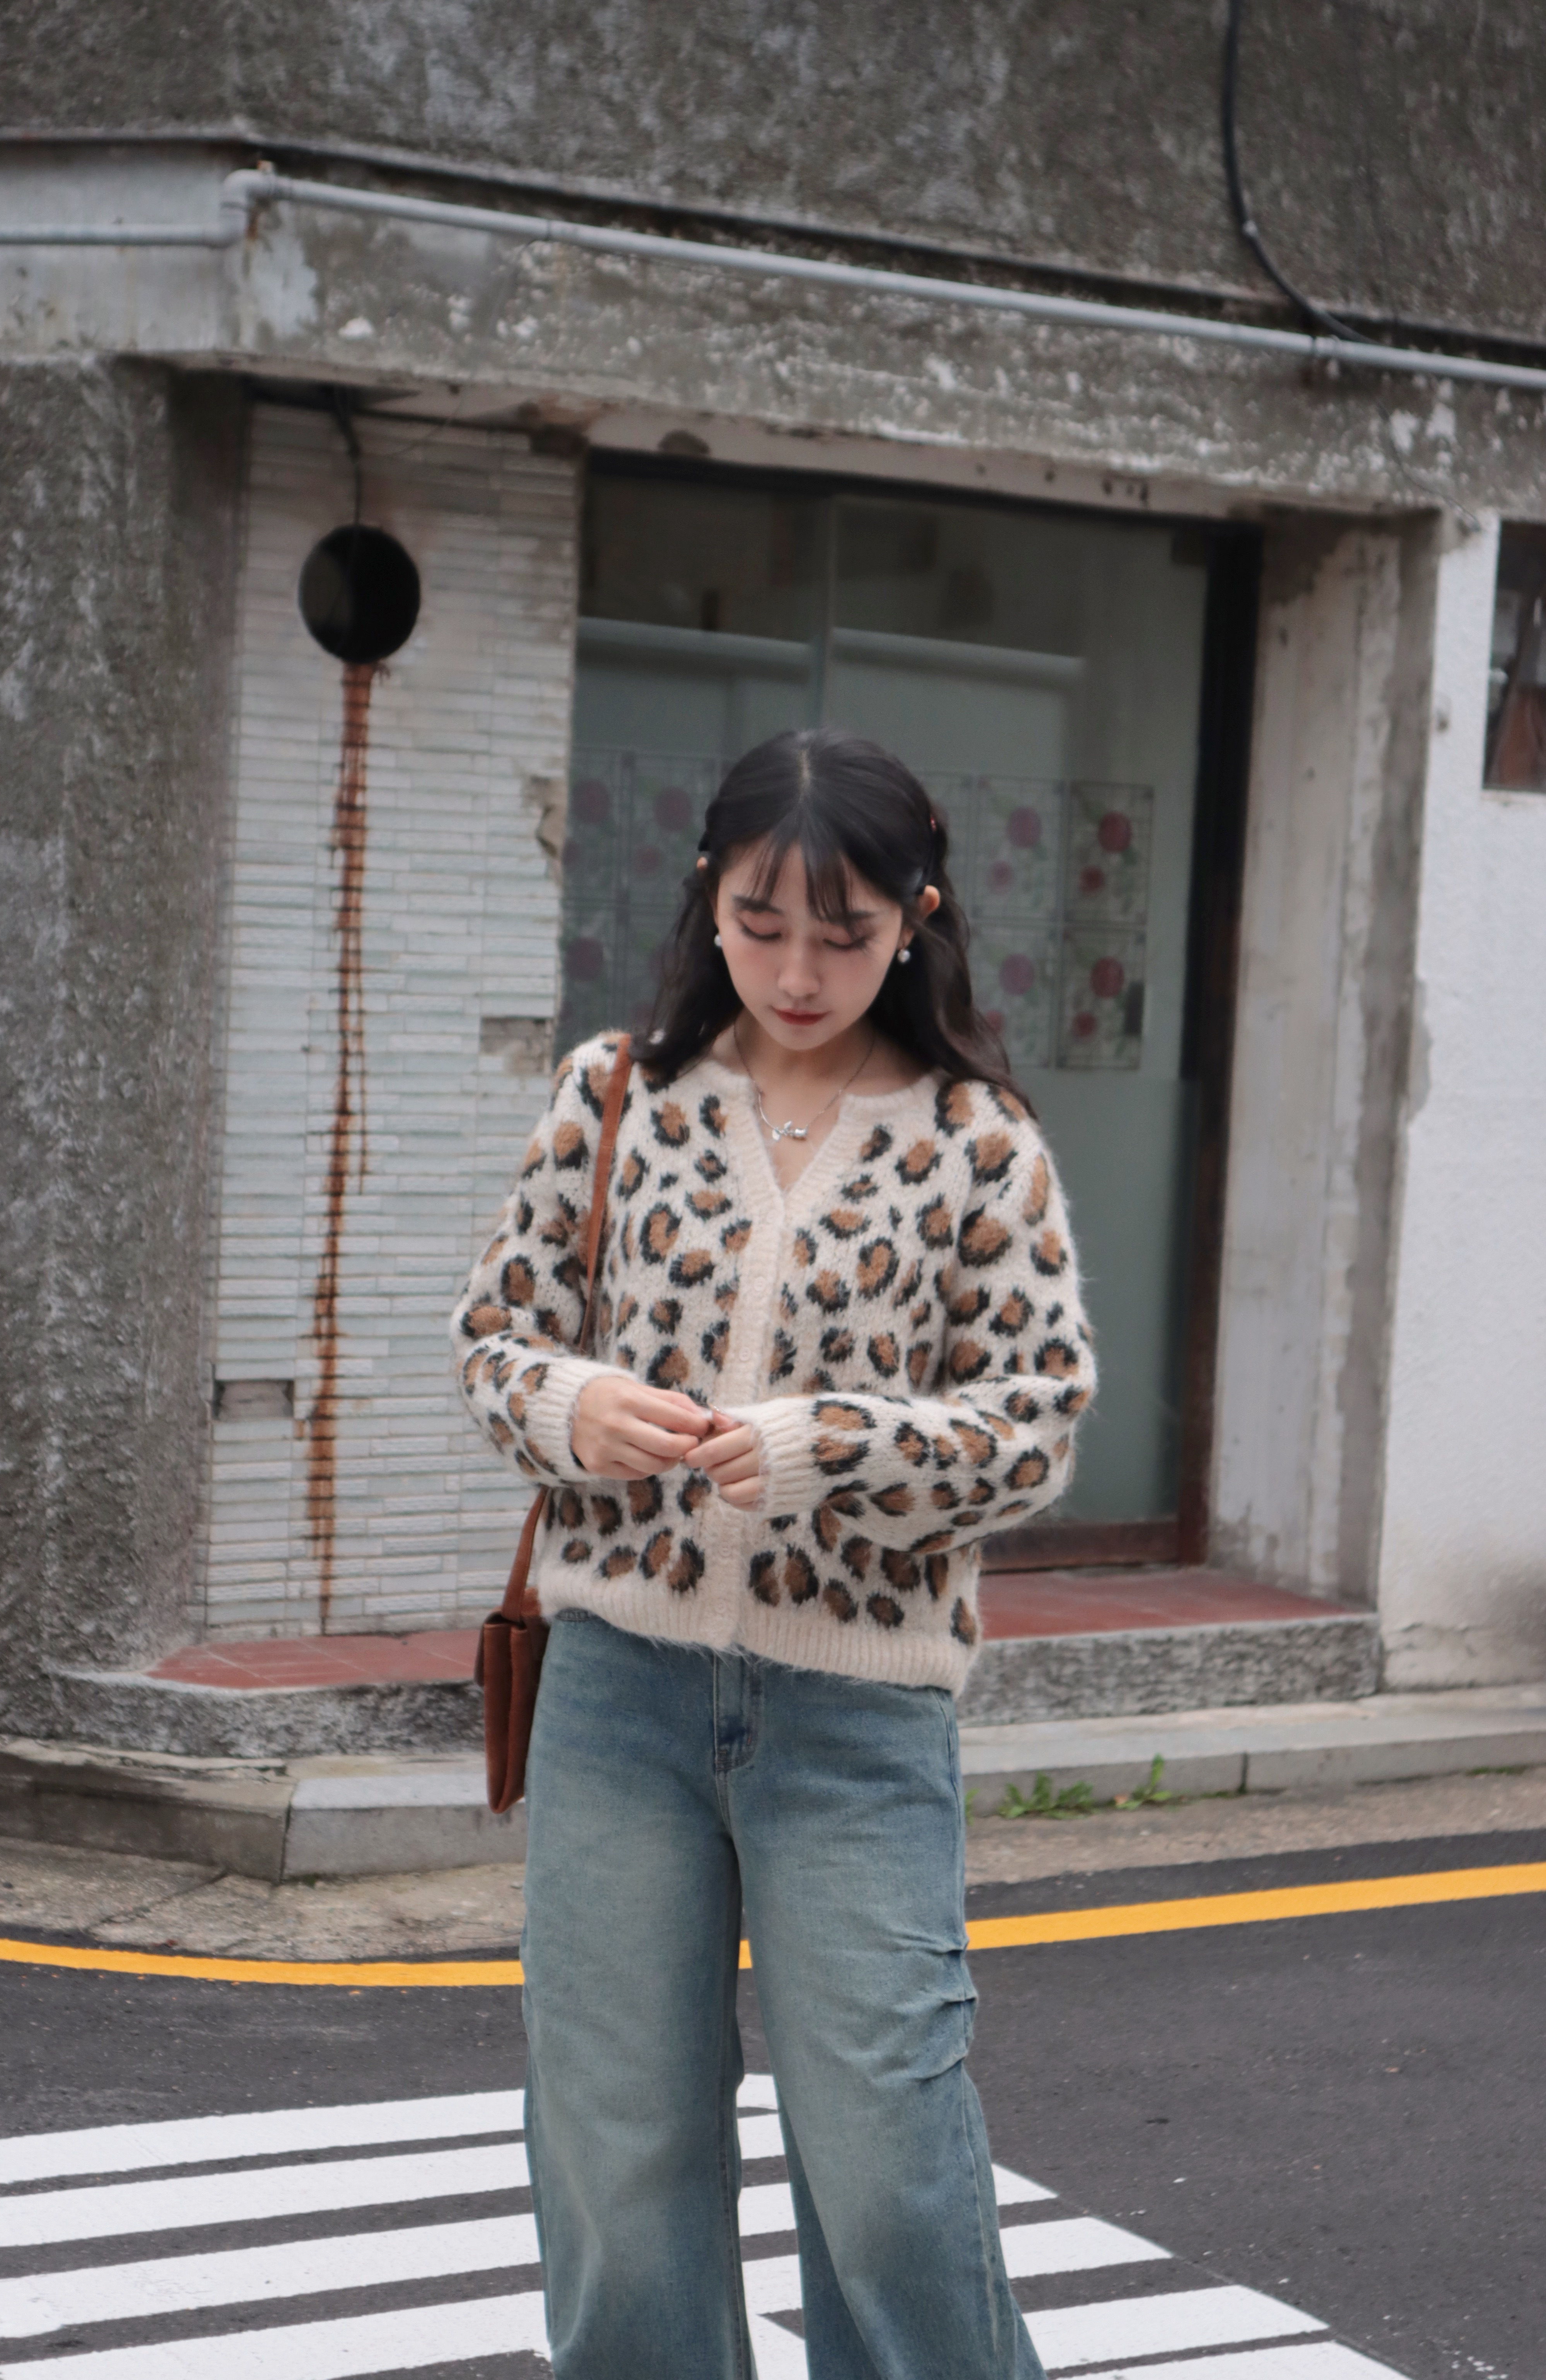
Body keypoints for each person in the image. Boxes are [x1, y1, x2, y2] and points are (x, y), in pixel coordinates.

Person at [451, 727, 1096, 2379]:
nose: (799, 971)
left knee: (887, 2167)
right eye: (760, 922)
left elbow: (1034, 1422)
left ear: (915, 919)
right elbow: (496, 1342)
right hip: (617, 1695)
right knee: (616, 2148)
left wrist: (835, 1447)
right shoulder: (614, 1096)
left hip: (858, 1722)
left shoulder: (976, 1141)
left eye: (845, 932)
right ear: (706, 899)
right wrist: (576, 1406)